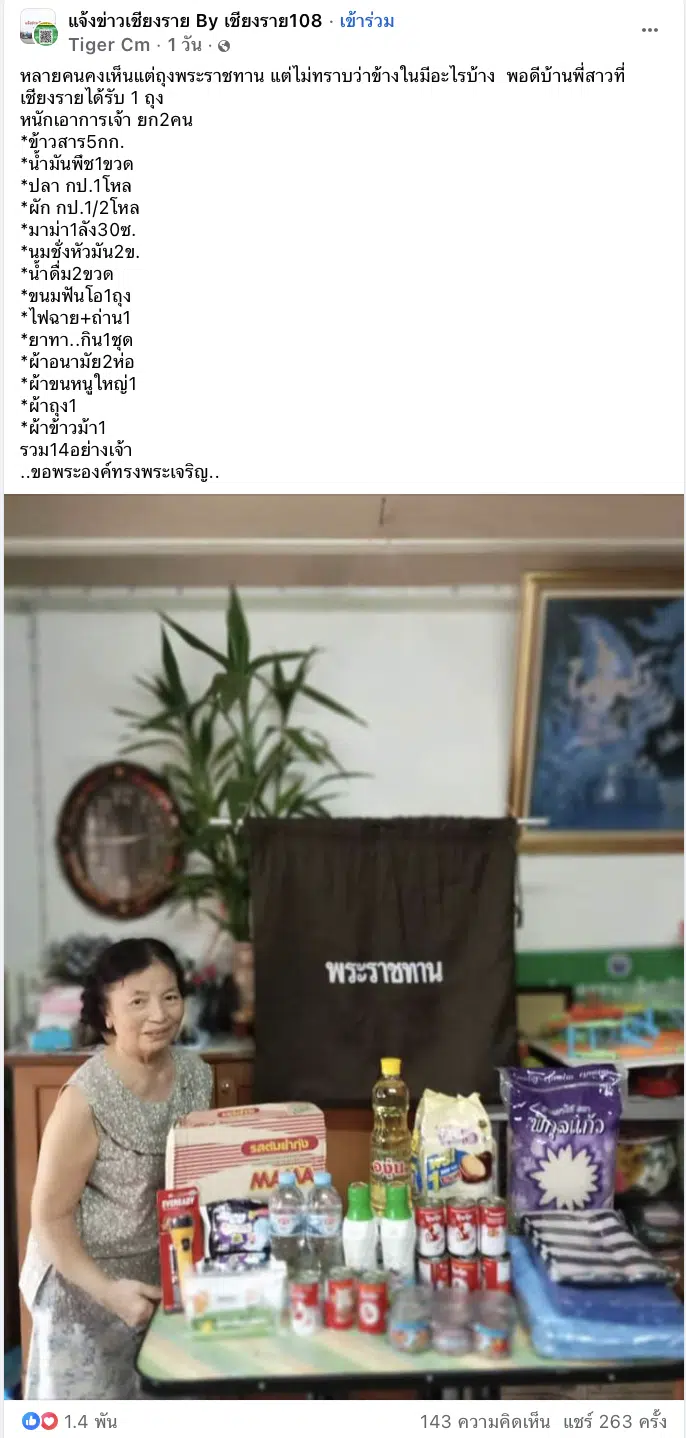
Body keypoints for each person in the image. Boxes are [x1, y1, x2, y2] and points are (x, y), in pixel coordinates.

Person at [21, 938, 213, 1400]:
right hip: (82, 1284)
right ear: (107, 1014)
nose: (159, 1014)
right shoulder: (86, 1096)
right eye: (138, 1002)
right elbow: (49, 1217)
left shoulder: (197, 1075)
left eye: (170, 997)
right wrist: (108, 1293)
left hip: (161, 1280)